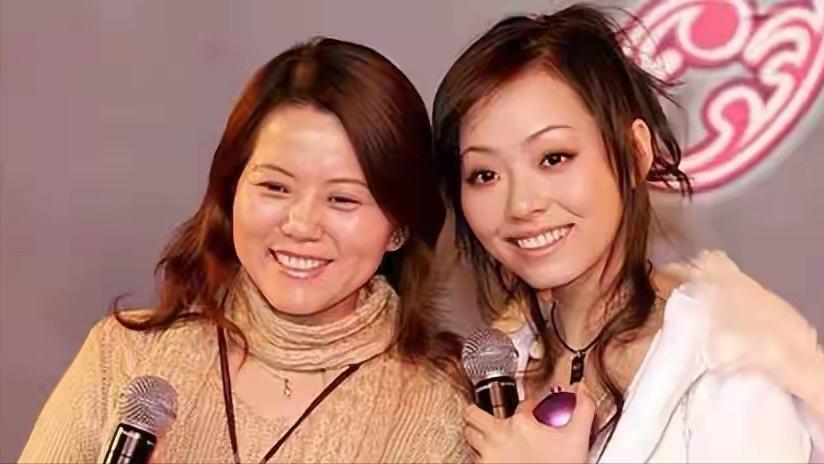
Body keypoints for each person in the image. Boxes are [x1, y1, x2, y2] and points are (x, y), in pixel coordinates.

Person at [20, 37, 468, 463]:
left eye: (342, 199)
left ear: (398, 228)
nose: (300, 225)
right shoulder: (121, 359)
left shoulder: (440, 412)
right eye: (275, 187)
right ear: (231, 190)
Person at [432, 4, 813, 462]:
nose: (521, 205)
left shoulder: (728, 359)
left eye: (553, 158)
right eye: (485, 175)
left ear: (635, 153)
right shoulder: (493, 377)